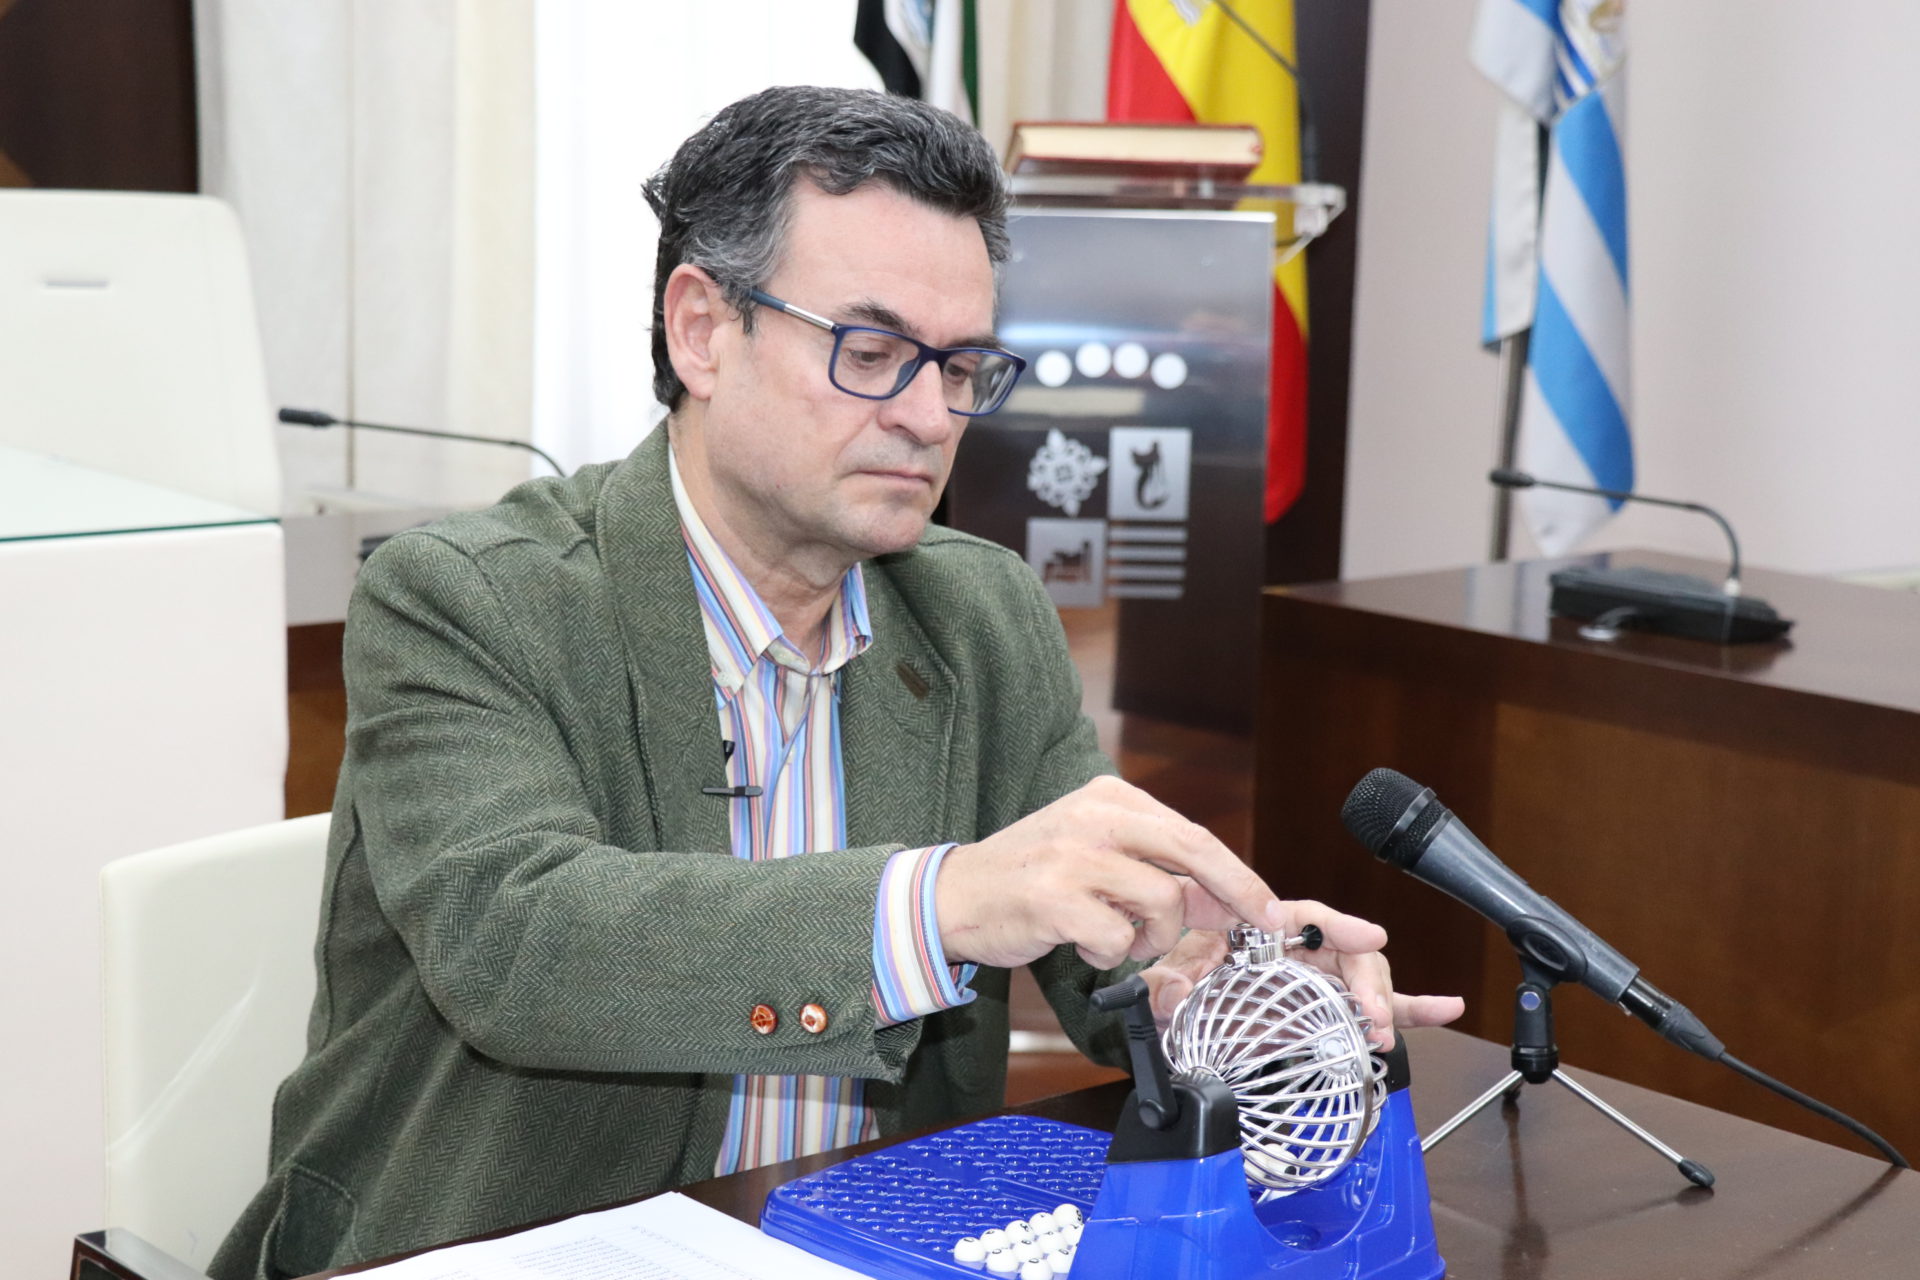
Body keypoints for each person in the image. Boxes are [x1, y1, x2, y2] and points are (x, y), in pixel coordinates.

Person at [211, 85, 1460, 1280]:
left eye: (961, 366)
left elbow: (1106, 956)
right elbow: (522, 943)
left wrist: (1220, 988)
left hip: (858, 1234)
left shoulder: (981, 611)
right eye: (872, 351)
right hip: (497, 1238)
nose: (929, 415)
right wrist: (941, 903)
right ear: (703, 330)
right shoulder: (467, 596)